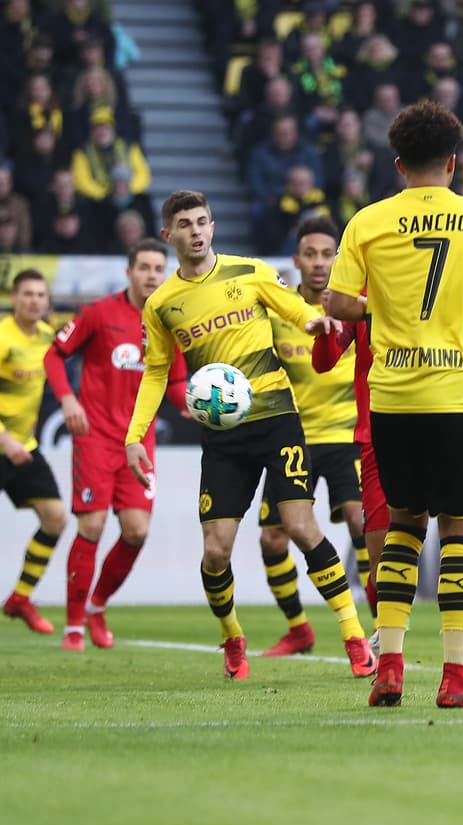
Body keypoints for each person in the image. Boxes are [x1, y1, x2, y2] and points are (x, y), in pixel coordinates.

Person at [123, 190, 375, 681]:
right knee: (216, 550)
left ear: (213, 227)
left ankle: (352, 637)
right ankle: (232, 639)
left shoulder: (251, 272)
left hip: (278, 420)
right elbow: (156, 372)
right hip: (223, 435)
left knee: (301, 527)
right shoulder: (162, 304)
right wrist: (136, 435)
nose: (195, 231)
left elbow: (293, 309)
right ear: (168, 235)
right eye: (185, 224)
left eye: (202, 222)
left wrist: (316, 321)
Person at [325, 101, 463, 709]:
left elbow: (336, 302)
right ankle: (456, 680)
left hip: (390, 397)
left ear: (398, 164)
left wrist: (372, 310)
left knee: (403, 526)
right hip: (454, 393)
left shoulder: (368, 222)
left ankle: (389, 668)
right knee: (462, 528)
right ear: (454, 163)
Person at [43, 239, 188, 650]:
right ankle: (73, 626)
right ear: (129, 272)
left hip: (138, 444)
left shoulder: (166, 323)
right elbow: (54, 356)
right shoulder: (99, 312)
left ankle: (96, 606)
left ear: (165, 273)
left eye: (157, 268)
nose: (150, 275)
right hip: (96, 439)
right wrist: (68, 400)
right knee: (91, 524)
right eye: (143, 267)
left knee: (137, 531)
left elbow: (175, 384)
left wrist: (191, 405)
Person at [254, 217, 367, 658]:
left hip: (345, 435)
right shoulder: (281, 312)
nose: (319, 263)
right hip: (293, 438)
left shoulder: (355, 306)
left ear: (337, 259)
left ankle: (379, 628)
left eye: (327, 254)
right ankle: (299, 629)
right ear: (297, 260)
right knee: (272, 540)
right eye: (311, 254)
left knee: (361, 522)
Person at [1, 271, 66, 635]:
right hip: (5, 444)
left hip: (23, 447)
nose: (34, 300)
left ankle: (20, 598)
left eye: (40, 294)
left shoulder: (46, 338)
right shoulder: (2, 336)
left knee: (55, 518)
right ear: (14, 296)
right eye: (27, 293)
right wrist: (5, 440)